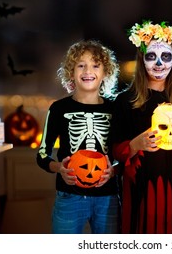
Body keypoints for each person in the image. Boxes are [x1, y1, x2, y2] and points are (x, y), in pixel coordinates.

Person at [112, 20, 172, 234]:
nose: (159, 63)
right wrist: (134, 144)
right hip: (141, 185)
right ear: (142, 59)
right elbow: (112, 147)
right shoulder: (126, 101)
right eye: (152, 56)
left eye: (166, 56)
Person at [36, 39, 121, 234]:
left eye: (95, 65)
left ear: (105, 73)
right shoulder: (58, 109)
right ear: (71, 73)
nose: (87, 71)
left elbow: (125, 153)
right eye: (80, 65)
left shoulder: (115, 109)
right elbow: (42, 154)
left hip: (107, 197)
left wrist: (114, 170)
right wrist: (60, 168)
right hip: (69, 196)